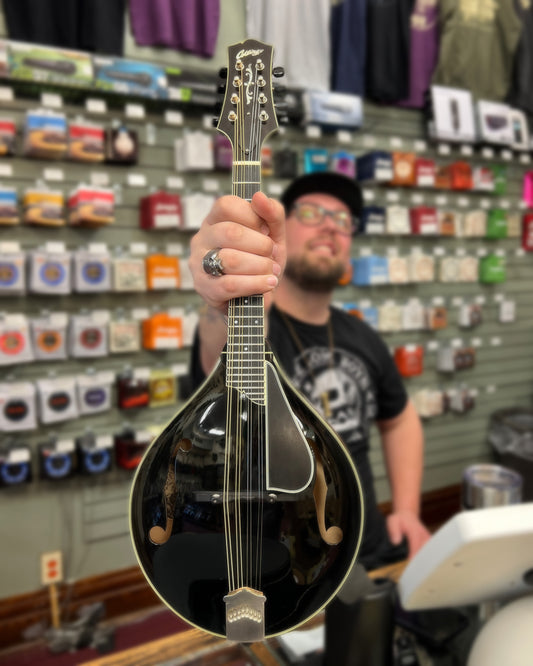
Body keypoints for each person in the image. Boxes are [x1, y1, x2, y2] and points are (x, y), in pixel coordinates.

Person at [187, 172, 431, 569]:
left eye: (344, 220)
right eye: (313, 213)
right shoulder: (251, 324)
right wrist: (224, 295)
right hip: (271, 564)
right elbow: (219, 360)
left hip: (366, 550)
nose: (331, 227)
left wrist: (406, 509)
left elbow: (400, 419)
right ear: (276, 228)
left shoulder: (361, 335)